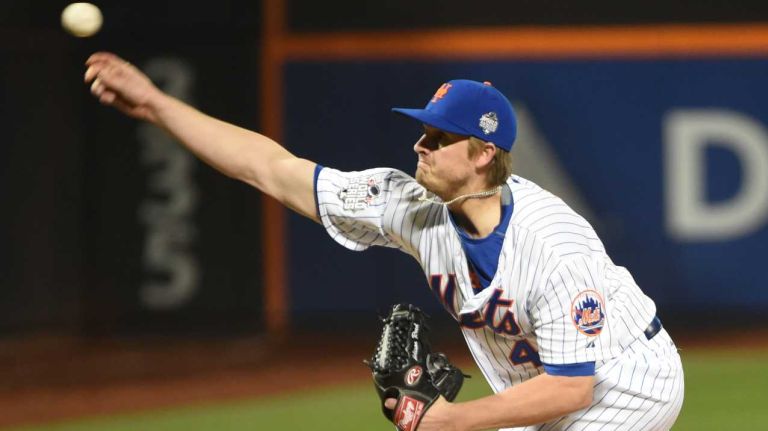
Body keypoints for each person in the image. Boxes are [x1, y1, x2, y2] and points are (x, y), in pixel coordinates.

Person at [84, 52, 684, 430]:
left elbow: (573, 386)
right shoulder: (410, 205)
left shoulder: (555, 248)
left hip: (624, 385)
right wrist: (160, 106)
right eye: (422, 132)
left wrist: (452, 421)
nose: (419, 147)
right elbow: (271, 168)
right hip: (541, 385)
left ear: (482, 155)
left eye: (437, 138)